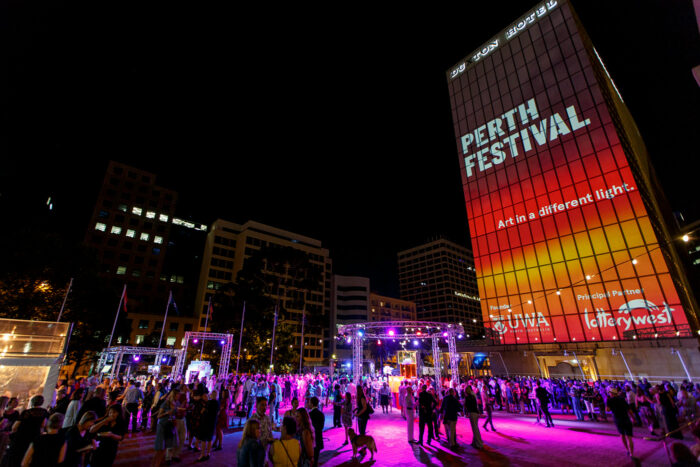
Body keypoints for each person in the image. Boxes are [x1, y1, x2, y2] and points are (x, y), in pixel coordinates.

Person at [7, 395, 49, 467]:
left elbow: (14, 427)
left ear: (32, 402)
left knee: (16, 457)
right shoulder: (44, 412)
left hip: (21, 437)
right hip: (34, 437)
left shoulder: (26, 412)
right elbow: (43, 425)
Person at [153, 385, 179, 467]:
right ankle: (156, 464)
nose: (178, 397)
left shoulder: (175, 403)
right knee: (160, 448)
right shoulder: (166, 403)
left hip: (170, 425)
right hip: (163, 425)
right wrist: (167, 413)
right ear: (174, 395)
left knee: (166, 446)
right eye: (178, 395)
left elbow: (174, 414)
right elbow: (158, 416)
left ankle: (160, 462)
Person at [606, 387, 635, 458]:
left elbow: (607, 410)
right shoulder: (622, 399)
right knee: (629, 437)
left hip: (618, 419)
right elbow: (629, 409)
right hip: (626, 418)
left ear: (611, 394)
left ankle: (627, 450)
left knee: (622, 435)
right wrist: (633, 418)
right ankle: (632, 453)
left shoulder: (609, 400)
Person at [195, 389, 219, 462]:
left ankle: (202, 454)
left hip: (206, 422)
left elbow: (202, 411)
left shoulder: (209, 403)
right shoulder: (217, 403)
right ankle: (208, 453)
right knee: (209, 439)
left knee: (203, 439)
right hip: (213, 422)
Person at [309, 397, 324, 467]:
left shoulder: (309, 414)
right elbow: (321, 427)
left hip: (311, 438)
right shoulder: (321, 414)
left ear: (312, 404)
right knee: (316, 458)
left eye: (309, 402)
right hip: (318, 437)